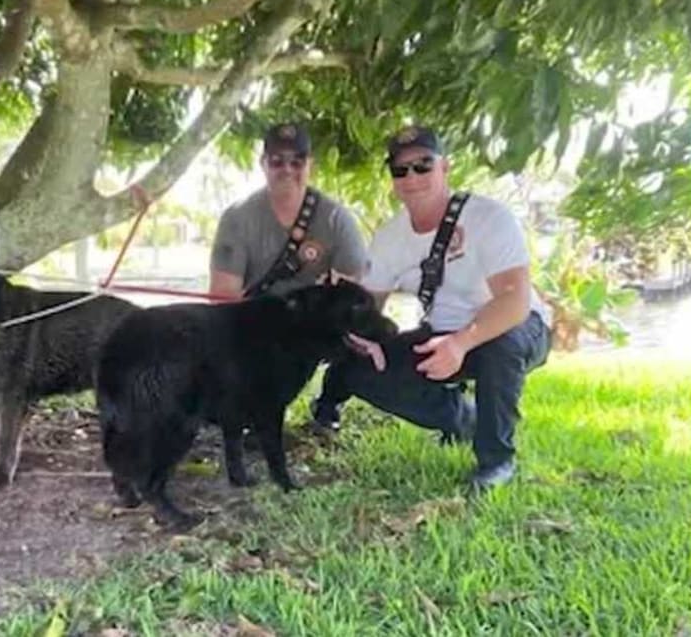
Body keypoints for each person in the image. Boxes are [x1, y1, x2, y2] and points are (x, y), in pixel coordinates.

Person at [312, 126, 552, 489]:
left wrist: (460, 342)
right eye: (400, 169)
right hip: (440, 334)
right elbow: (367, 306)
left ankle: (495, 461)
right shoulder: (390, 237)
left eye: (423, 165)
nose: (412, 177)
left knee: (498, 347)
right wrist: (348, 319)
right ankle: (462, 419)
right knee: (359, 367)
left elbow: (514, 301)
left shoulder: (489, 218)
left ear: (445, 167)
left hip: (513, 327)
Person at [209, 122, 367, 298]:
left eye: (297, 162)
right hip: (254, 322)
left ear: (310, 166)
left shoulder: (337, 220)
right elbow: (223, 298)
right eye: (277, 161)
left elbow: (353, 297)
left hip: (318, 323)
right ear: (263, 164)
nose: (287, 169)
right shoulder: (236, 218)